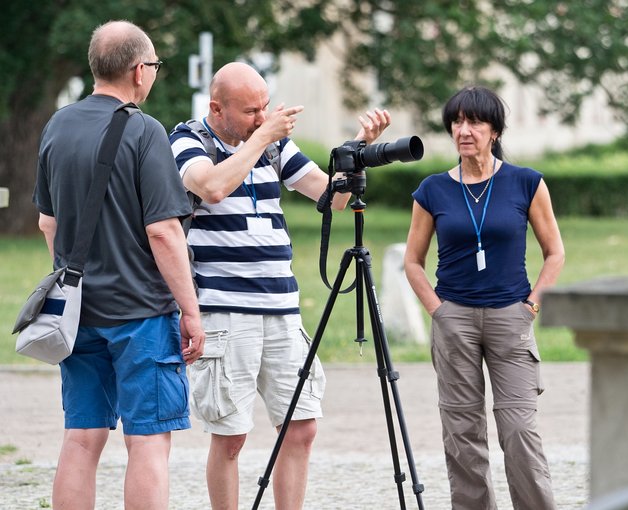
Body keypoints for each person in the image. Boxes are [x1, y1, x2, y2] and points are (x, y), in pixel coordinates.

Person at [169, 61, 390, 509]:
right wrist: (261, 137)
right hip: (225, 310)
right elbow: (211, 188)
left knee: (302, 424)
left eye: (266, 106)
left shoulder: (270, 143)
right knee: (231, 435)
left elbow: (333, 197)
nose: (263, 116)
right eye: (252, 110)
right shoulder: (187, 141)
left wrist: (360, 150)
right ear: (217, 107)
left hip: (282, 308)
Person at [33, 20, 205, 510]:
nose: (153, 75)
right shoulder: (144, 131)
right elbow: (164, 232)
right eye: (153, 66)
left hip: (78, 312)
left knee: (82, 438)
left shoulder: (56, 126)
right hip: (142, 315)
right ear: (137, 70)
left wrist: (74, 282)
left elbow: (48, 223)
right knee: (148, 441)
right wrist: (190, 311)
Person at [404, 86, 565, 510]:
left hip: (511, 315)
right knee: (462, 434)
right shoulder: (433, 190)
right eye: (456, 122)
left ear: (494, 130)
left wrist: (530, 306)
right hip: (453, 316)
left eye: (474, 121)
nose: (464, 130)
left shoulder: (526, 182)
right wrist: (438, 312)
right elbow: (413, 262)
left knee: (519, 431)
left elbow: (555, 252)